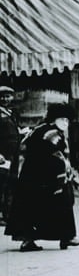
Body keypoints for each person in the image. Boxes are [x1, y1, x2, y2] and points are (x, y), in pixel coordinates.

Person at [7, 103, 79, 251]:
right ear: (54, 119)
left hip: (33, 176)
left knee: (32, 208)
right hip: (48, 177)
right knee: (62, 203)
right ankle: (66, 237)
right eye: (62, 119)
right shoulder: (52, 133)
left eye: (67, 120)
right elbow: (58, 156)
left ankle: (30, 240)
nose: (65, 123)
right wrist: (68, 173)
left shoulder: (40, 129)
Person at [0, 86, 21, 222]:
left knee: (10, 184)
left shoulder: (11, 113)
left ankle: (7, 214)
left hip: (13, 155)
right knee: (1, 185)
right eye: (2, 96)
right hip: (3, 156)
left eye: (8, 96)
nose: (5, 99)